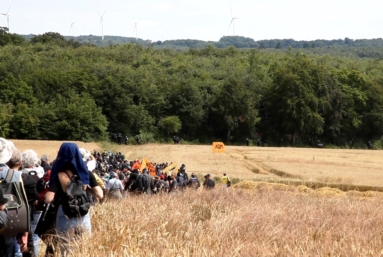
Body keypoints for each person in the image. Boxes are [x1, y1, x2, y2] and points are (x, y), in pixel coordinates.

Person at [44, 142, 103, 257]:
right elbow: (100, 195)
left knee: (66, 248)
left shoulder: (59, 173)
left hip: (64, 212)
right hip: (83, 212)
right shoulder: (86, 173)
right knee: (83, 246)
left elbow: (48, 198)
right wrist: (87, 189)